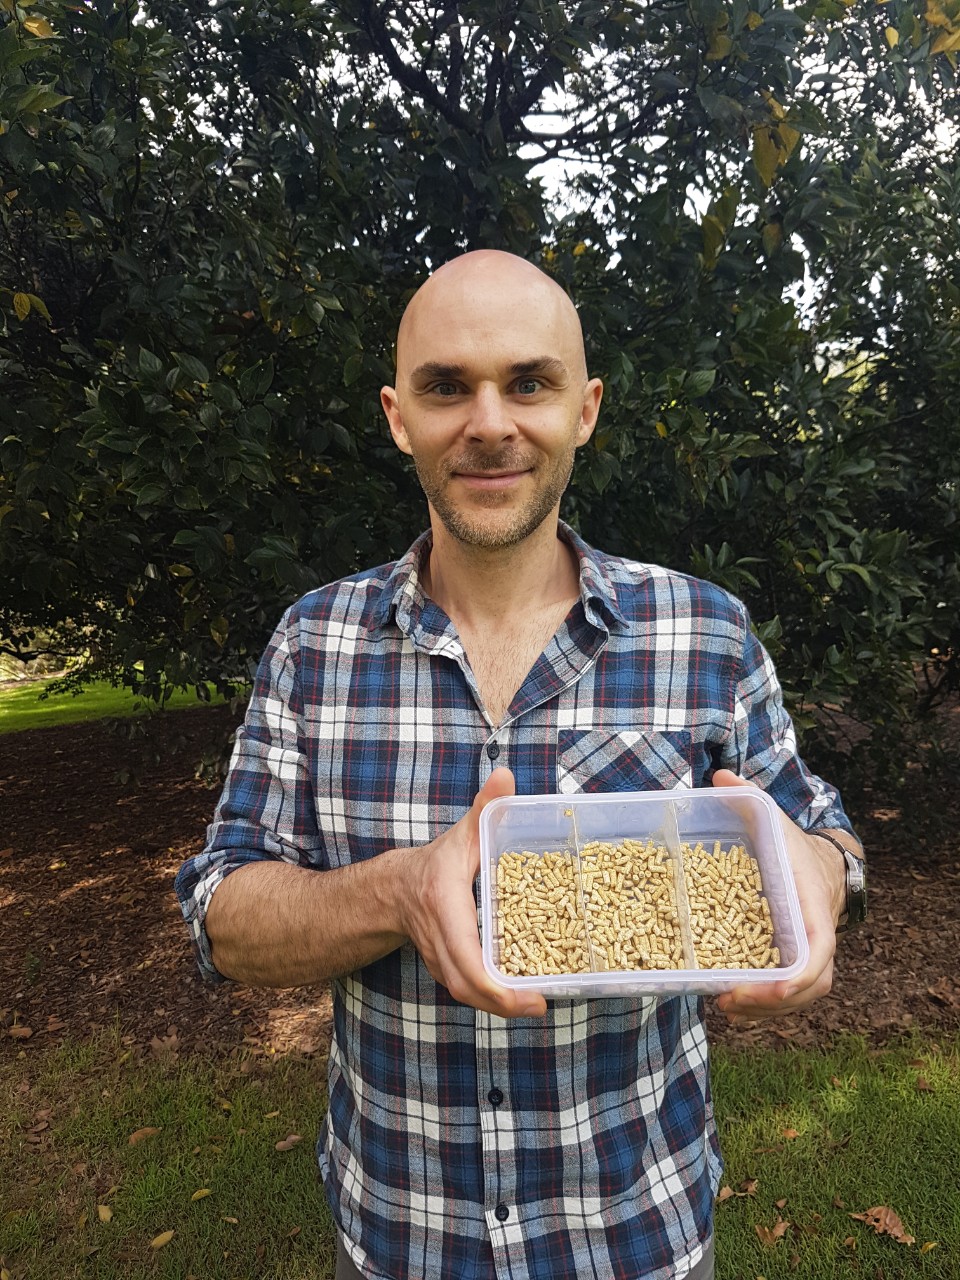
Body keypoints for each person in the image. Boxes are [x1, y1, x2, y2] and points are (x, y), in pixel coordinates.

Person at [175, 250, 865, 1280]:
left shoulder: (704, 633)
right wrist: (401, 891)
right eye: (447, 386)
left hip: (637, 1235)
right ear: (398, 415)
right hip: (402, 1239)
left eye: (528, 382)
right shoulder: (313, 643)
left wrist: (815, 874)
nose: (489, 422)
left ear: (584, 409)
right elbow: (222, 912)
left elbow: (823, 834)